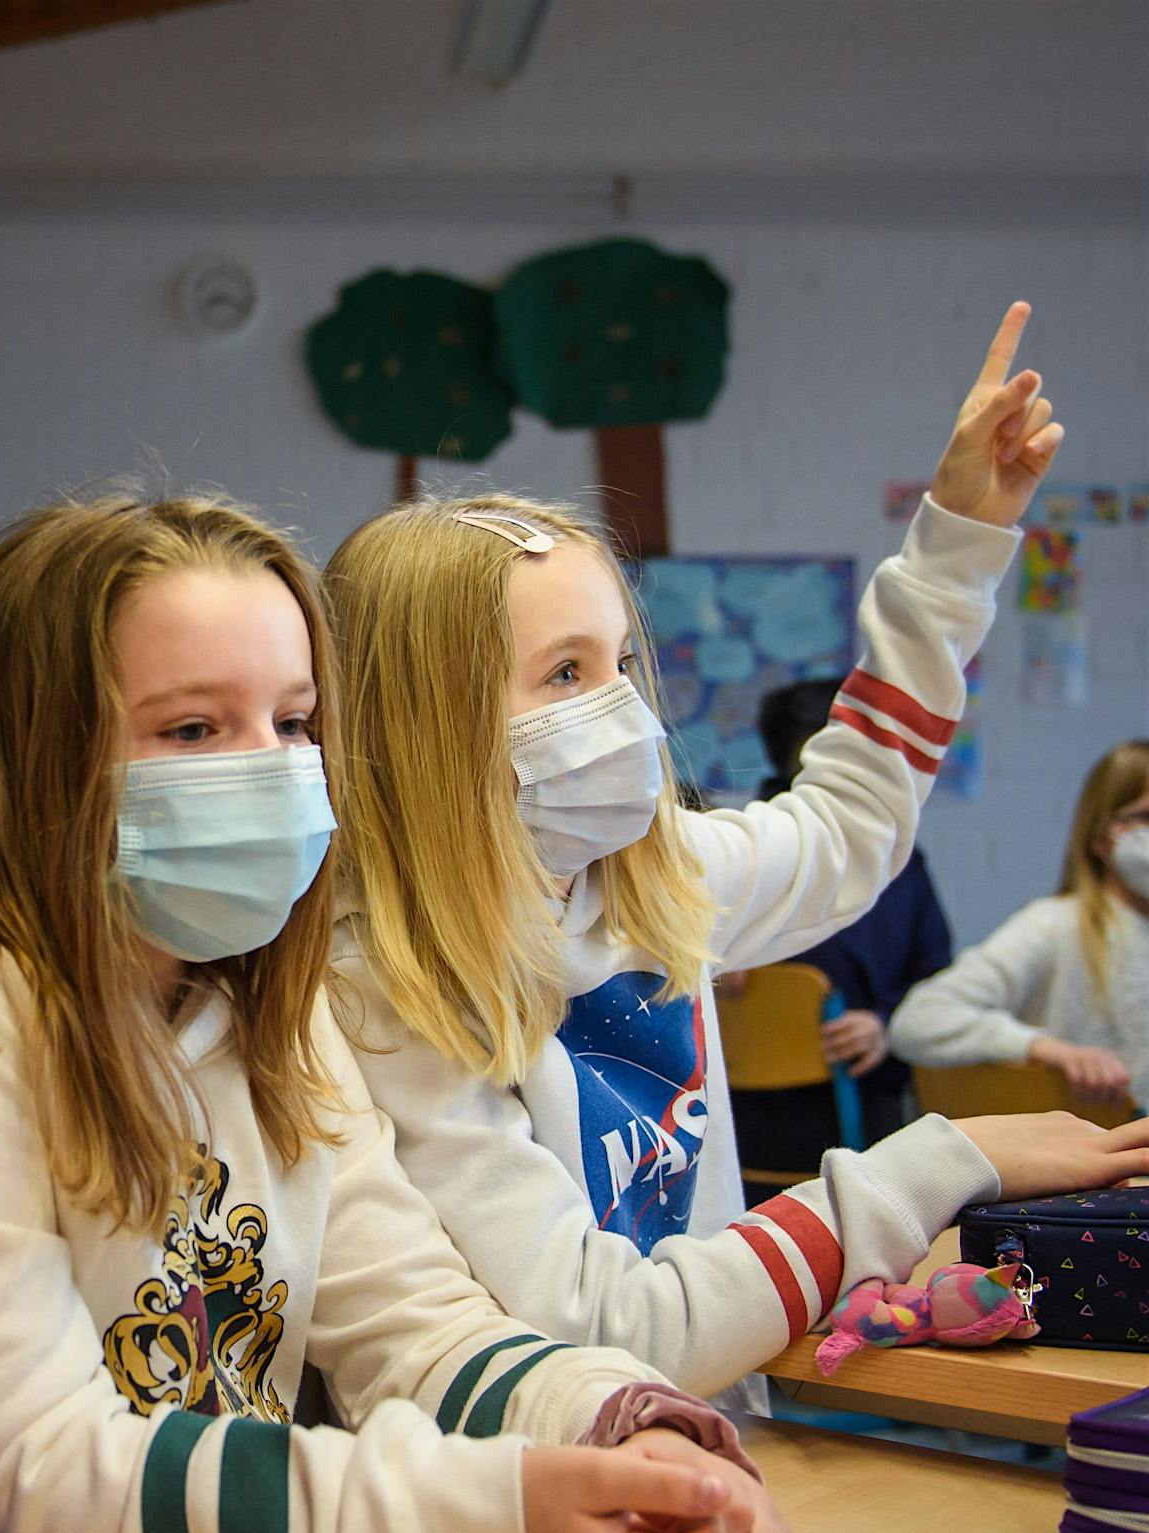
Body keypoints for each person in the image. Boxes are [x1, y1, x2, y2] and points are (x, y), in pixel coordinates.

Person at [0, 491, 812, 1533]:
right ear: (37, 751)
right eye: (192, 730)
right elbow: (36, 1472)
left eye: (293, 723)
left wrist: (617, 1431)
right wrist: (502, 1515)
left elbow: (415, 1325)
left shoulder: (254, 984)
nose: (268, 771)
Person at [322, 304, 1148, 1402]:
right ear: (426, 721)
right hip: (526, 1503)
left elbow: (853, 824)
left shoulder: (655, 881)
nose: (621, 710)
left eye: (619, 659)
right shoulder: (382, 983)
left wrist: (954, 540)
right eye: (564, 672)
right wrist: (942, 1158)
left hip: (714, 1450)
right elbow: (605, 1330)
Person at [726, 676, 955, 1170]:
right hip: (748, 1110)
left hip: (867, 1094)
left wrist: (886, 1024)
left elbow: (937, 977)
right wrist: (712, 960)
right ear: (790, 762)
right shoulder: (742, 852)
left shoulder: (898, 862)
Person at [891, 739, 1149, 1112]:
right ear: (1102, 837)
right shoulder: (1055, 926)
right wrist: (1043, 1049)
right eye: (1145, 817)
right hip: (1089, 1155)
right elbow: (919, 1019)